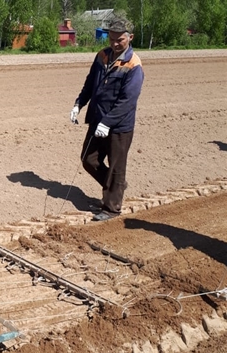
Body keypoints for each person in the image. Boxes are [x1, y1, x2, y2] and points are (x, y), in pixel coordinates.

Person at [69, 18, 144, 221]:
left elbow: (128, 101)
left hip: (119, 127)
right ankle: (114, 188)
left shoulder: (133, 64)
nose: (114, 43)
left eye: (119, 39)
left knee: (117, 168)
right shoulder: (102, 56)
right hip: (97, 119)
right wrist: (79, 104)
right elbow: (90, 83)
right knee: (88, 159)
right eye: (111, 38)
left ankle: (112, 208)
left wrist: (107, 123)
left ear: (130, 37)